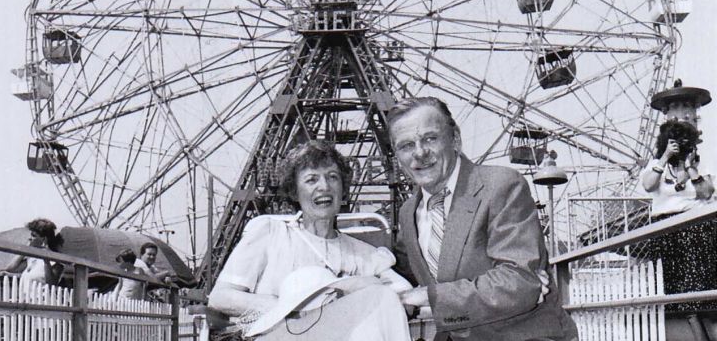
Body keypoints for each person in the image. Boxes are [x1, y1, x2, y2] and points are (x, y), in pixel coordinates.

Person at [388, 97, 577, 341]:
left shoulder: (501, 186)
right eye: (406, 146)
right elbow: (401, 273)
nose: (420, 153)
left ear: (455, 138)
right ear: (397, 156)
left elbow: (520, 281)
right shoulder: (408, 213)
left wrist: (426, 296)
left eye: (430, 138)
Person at [208, 140, 413, 340]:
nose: (324, 186)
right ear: (294, 192)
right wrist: (286, 307)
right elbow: (221, 297)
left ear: (343, 189)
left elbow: (402, 297)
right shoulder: (270, 233)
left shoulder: (364, 254)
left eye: (332, 177)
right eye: (311, 179)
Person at [642, 119, 716, 313]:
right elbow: (649, 185)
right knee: (668, 276)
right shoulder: (656, 165)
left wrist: (691, 168)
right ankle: (675, 319)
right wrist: (665, 157)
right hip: (664, 225)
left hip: (695, 223)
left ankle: (701, 317)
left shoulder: (699, 165)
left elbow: (707, 192)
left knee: (698, 276)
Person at [0, 218, 64, 286]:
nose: (29, 238)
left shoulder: (55, 261)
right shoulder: (32, 258)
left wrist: (46, 262)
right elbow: (10, 269)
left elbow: (52, 284)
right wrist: (26, 249)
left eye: (33, 236)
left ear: (44, 239)